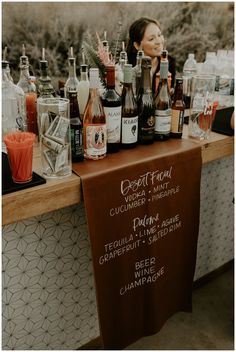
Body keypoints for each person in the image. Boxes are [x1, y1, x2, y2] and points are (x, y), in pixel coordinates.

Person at [127, 17, 176, 95]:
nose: (159, 41)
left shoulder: (169, 62)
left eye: (159, 35)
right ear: (137, 45)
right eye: (151, 39)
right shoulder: (129, 66)